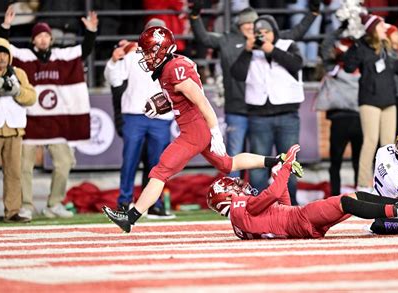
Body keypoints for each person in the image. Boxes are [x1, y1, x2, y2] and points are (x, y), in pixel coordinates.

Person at [102, 26, 302, 233]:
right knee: (227, 163)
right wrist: (169, 103)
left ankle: (130, 217)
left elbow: (202, 101)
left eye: (149, 51)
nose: (146, 56)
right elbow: (184, 98)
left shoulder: (173, 69)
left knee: (160, 172)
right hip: (196, 128)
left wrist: (215, 132)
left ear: (161, 49)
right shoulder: (172, 64)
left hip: (194, 132)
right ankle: (276, 160)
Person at [188, 2, 321, 178]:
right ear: (239, 25)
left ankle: (265, 197)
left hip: (259, 110)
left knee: (261, 159)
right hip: (237, 108)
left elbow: (297, 32)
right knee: (234, 157)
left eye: (255, 24)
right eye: (246, 23)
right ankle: (233, 196)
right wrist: (195, 17)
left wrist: (312, 13)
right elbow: (204, 38)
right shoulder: (228, 39)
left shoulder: (268, 39)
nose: (252, 27)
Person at [0, 6, 98, 220]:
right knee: (22, 166)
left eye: (46, 36)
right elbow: (3, 49)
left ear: (51, 39)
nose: (43, 40)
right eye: (39, 36)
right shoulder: (24, 56)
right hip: (30, 121)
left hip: (56, 122)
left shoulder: (62, 55)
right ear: (33, 40)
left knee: (64, 163)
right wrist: (6, 27)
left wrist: (90, 32)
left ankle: (54, 203)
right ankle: (25, 205)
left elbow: (84, 50)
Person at [207, 144, 398, 240]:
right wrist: (287, 166)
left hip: (298, 225)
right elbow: (271, 196)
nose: (240, 187)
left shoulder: (241, 221)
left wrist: (279, 175)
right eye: (234, 188)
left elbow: (282, 207)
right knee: (345, 202)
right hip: (300, 219)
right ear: (226, 197)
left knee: (356, 198)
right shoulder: (238, 210)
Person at [103, 18, 175, 219]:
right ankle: (124, 202)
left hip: (161, 117)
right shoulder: (131, 52)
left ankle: (154, 204)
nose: (156, 36)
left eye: (160, 32)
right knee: (130, 161)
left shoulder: (171, 55)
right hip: (134, 114)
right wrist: (114, 61)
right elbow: (114, 79)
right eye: (152, 32)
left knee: (159, 165)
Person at [230, 15, 305, 205]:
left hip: (287, 115)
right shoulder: (249, 51)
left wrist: (271, 50)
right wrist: (248, 50)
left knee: (289, 165)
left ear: (274, 32)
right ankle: (258, 208)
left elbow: (296, 64)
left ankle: (291, 209)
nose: (262, 36)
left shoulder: (288, 45)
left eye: (266, 32)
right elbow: (236, 74)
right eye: (259, 33)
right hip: (258, 116)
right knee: (257, 166)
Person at [343, 14, 398, 191]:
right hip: (369, 101)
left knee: (389, 146)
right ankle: (362, 185)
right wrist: (357, 42)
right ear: (373, 30)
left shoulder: (386, 51)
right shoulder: (362, 48)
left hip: (388, 102)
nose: (385, 29)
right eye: (381, 27)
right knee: (370, 141)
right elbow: (349, 66)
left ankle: (387, 184)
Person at [0, 37, 36, 223]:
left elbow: (31, 97)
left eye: (5, 53)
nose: (1, 57)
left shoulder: (18, 73)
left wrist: (17, 91)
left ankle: (13, 211)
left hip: (14, 129)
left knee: (14, 173)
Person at [319, 23, 362, 196]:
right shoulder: (363, 66)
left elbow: (325, 48)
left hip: (341, 120)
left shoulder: (334, 68)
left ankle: (335, 197)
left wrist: (340, 28)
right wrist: (356, 34)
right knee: (358, 162)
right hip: (357, 119)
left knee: (336, 162)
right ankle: (361, 195)